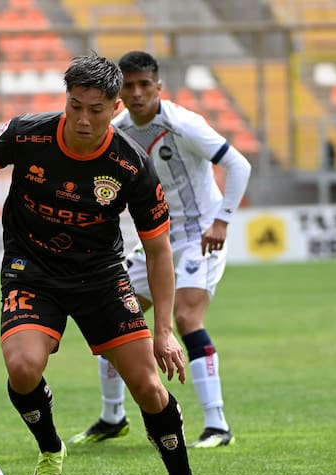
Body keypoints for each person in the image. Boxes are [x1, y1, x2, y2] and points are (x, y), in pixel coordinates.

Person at [0, 52, 220, 475]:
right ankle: (50, 449)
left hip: (101, 277)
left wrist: (164, 330)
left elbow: (158, 250)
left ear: (116, 107)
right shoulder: (28, 133)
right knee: (23, 369)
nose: (83, 119)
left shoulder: (131, 165)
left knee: (147, 385)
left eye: (96, 109)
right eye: (75, 105)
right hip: (32, 272)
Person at [68, 51, 251, 449]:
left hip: (201, 233)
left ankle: (217, 426)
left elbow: (239, 165)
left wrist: (222, 221)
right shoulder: (115, 129)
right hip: (156, 239)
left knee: (185, 317)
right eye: (128, 86)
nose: (136, 93)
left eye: (143, 85)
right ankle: (112, 417)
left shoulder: (184, 124)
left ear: (158, 87)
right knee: (113, 320)